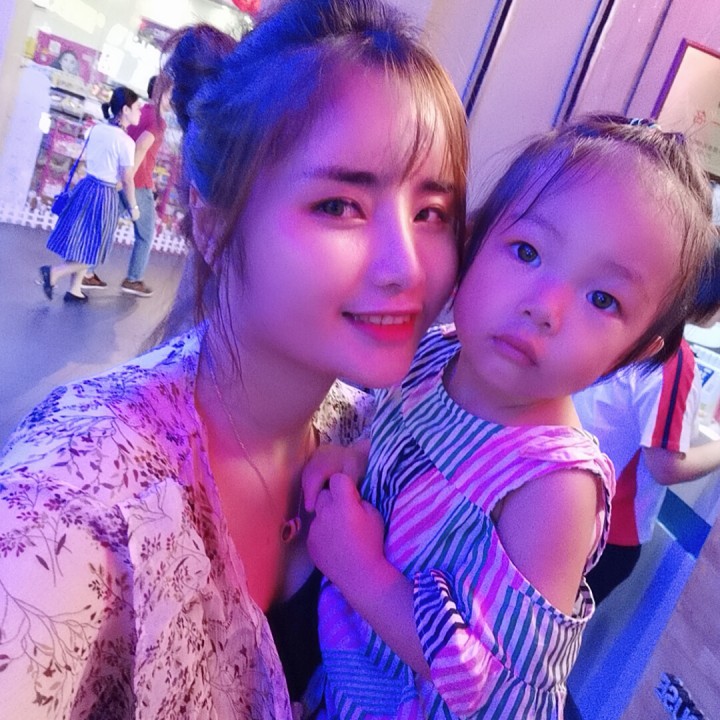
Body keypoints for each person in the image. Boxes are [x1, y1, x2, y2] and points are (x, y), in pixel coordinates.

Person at [0, 1, 468, 717]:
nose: (407, 267)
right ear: (213, 223)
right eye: (340, 205)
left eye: (431, 213)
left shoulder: (369, 437)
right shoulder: (80, 500)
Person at [302, 115, 716, 718]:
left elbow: (489, 688)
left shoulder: (553, 486)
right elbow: (403, 439)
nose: (545, 307)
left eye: (603, 299)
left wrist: (362, 571)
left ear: (632, 353)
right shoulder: (437, 354)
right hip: (345, 673)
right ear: (471, 245)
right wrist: (355, 457)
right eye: (526, 251)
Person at [575, 244, 720, 604]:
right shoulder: (673, 358)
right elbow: (665, 466)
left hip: (563, 503)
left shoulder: (620, 321)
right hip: (608, 532)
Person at [39, 86, 141, 302]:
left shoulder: (96, 129)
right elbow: (127, 179)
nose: (139, 112)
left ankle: (75, 289)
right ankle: (54, 273)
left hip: (85, 187)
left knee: (82, 240)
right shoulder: (126, 142)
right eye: (137, 108)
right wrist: (133, 207)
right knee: (95, 246)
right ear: (125, 110)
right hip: (104, 194)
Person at [83, 75, 172, 296]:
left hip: (121, 178)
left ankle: (86, 271)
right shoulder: (158, 122)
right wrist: (128, 179)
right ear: (160, 94)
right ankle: (133, 279)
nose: (174, 99)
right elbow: (140, 148)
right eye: (171, 94)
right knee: (145, 234)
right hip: (137, 183)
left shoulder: (140, 112)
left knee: (107, 225)